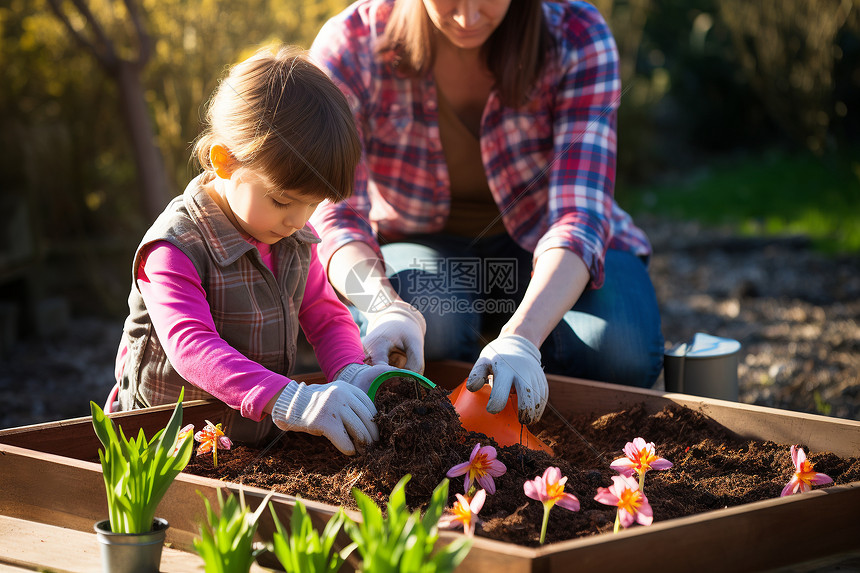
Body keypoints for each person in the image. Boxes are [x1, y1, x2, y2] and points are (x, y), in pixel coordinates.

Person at [309, 0, 664, 424]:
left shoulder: (576, 35)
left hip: (550, 243)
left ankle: (514, 340)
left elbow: (579, 215)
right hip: (421, 243)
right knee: (426, 330)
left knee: (619, 353)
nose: (467, 16)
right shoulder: (352, 44)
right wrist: (385, 307)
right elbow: (336, 219)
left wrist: (523, 337)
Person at [111, 44, 398, 455]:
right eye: (283, 200)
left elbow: (325, 314)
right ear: (225, 162)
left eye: (313, 204)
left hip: (249, 441)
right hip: (165, 446)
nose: (299, 220)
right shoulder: (174, 247)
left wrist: (350, 371)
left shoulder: (291, 236)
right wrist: (292, 399)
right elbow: (192, 347)